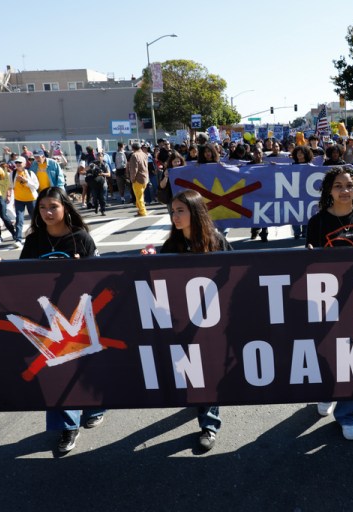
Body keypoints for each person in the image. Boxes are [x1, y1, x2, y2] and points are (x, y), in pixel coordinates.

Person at [19, 187, 105, 453]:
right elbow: (20, 274)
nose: (47, 212)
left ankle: (96, 405)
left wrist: (81, 269)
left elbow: (97, 278)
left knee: (86, 367)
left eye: (53, 206)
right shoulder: (34, 241)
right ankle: (67, 427)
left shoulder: (81, 238)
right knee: (56, 371)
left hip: (80, 315)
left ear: (65, 207)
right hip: (47, 318)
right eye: (42, 207)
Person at [306, 165, 353, 440]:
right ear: (329, 191)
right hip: (326, 301)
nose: (344, 190)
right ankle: (326, 391)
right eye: (338, 186)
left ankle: (348, 415)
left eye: (349, 185)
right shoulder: (318, 222)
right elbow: (307, 266)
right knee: (326, 352)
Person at [159, 189, 231, 451]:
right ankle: (201, 401)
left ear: (195, 212)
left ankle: (209, 424)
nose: (175, 216)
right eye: (173, 211)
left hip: (213, 321)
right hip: (182, 320)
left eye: (181, 211)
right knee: (192, 369)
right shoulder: (170, 246)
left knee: (208, 370)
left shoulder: (216, 240)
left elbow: (234, 275)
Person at [10, 157, 39, 244]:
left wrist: (25, 181)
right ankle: (18, 239)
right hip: (19, 200)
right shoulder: (13, 174)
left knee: (35, 219)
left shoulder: (30, 173)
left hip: (31, 199)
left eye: (20, 163)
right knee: (19, 219)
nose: (18, 164)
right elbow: (10, 185)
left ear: (25, 164)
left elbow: (36, 186)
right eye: (17, 163)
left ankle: (39, 235)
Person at [126, 142, 149, 217]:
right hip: (145, 177)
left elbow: (133, 169)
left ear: (133, 148)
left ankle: (142, 212)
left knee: (139, 197)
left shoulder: (134, 155)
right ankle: (140, 210)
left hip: (138, 179)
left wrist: (132, 179)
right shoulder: (144, 154)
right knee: (140, 195)